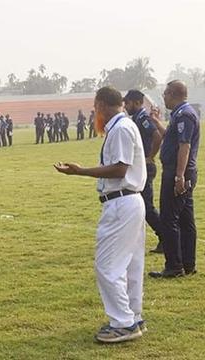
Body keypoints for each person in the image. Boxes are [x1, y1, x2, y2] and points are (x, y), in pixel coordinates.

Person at [55, 86, 146, 343]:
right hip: (129, 201)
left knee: (107, 265)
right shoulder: (122, 126)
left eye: (96, 107)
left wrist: (80, 171)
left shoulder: (120, 128)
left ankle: (124, 323)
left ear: (102, 104)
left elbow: (119, 169)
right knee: (130, 265)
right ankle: (132, 317)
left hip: (121, 202)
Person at [149, 80, 200, 278]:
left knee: (169, 218)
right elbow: (169, 137)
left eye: (165, 94)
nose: (163, 97)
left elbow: (184, 146)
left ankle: (174, 266)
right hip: (181, 172)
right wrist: (156, 121)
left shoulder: (184, 115)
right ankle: (188, 263)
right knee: (186, 218)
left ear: (173, 94)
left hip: (177, 173)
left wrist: (179, 175)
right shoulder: (180, 114)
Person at [123, 90, 163, 254]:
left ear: (137, 102)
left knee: (146, 206)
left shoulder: (143, 118)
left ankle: (166, 238)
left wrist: (150, 156)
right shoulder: (136, 118)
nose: (125, 106)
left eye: (128, 103)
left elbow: (157, 136)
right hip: (140, 167)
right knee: (139, 205)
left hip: (146, 167)